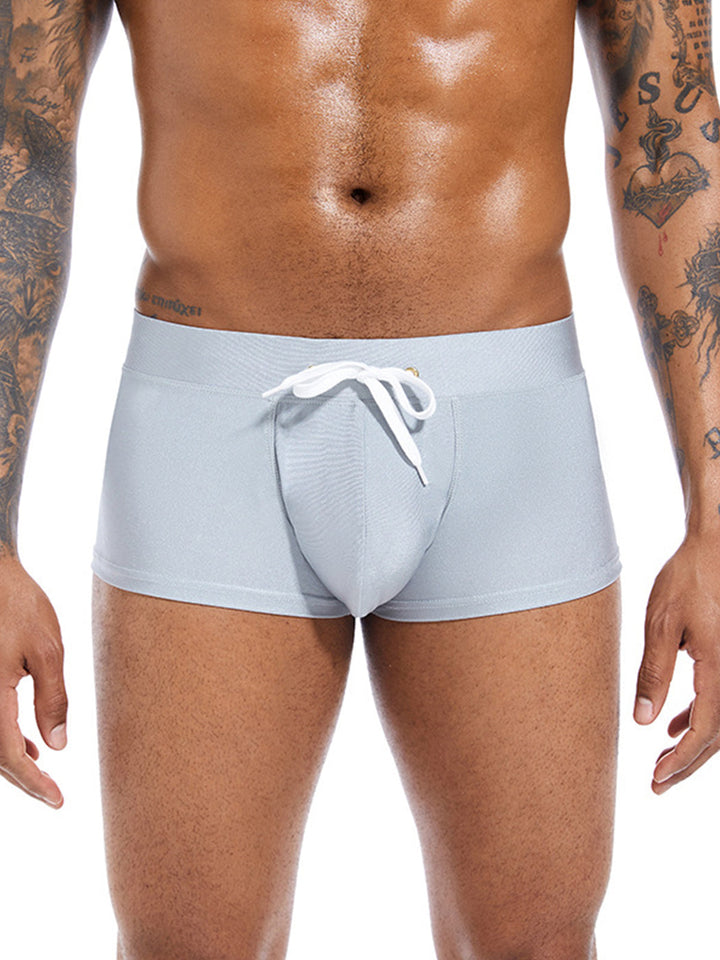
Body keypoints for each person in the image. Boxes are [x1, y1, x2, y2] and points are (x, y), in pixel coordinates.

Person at [1, 0, 718, 957]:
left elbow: (672, 135)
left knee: (538, 944)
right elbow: (21, 147)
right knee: (185, 946)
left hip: (508, 422)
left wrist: (716, 522)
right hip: (210, 422)